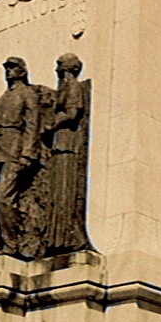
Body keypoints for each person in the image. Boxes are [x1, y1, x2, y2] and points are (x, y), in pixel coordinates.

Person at [0, 57, 40, 256]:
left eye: (12, 68)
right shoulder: (2, 98)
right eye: (6, 68)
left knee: (4, 198)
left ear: (22, 71)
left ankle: (12, 245)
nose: (8, 71)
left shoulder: (27, 94)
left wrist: (27, 154)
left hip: (14, 150)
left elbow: (32, 125)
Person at [45, 53, 90, 254]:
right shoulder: (64, 88)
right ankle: (56, 238)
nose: (56, 69)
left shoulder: (73, 87)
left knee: (65, 189)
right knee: (58, 191)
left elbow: (72, 115)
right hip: (59, 143)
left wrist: (51, 125)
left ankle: (66, 237)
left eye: (59, 65)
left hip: (68, 143)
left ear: (68, 68)